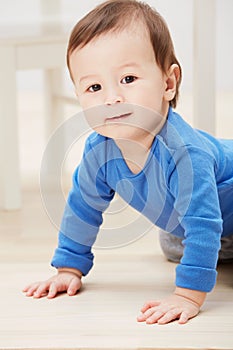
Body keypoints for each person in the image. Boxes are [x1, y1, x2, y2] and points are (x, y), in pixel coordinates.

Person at [23, 0, 233, 325]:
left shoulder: (185, 153)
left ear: (168, 83)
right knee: (176, 245)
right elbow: (82, 210)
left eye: (129, 79)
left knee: (199, 234)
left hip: (216, 212)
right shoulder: (99, 153)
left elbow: (204, 224)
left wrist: (187, 295)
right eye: (94, 87)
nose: (111, 98)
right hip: (200, 222)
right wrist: (69, 268)